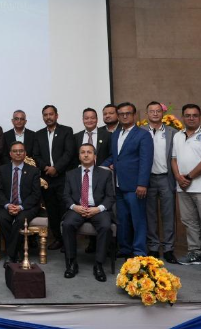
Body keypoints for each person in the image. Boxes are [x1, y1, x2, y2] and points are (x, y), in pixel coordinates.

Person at [102, 102, 152, 258]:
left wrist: (142, 183)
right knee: (122, 219)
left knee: (138, 220)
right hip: (118, 185)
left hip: (135, 186)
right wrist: (101, 167)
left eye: (127, 113)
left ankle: (139, 251)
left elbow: (146, 161)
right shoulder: (116, 134)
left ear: (134, 115)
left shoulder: (143, 135)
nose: (124, 116)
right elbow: (115, 157)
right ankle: (125, 249)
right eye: (121, 113)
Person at [171, 104, 201, 272]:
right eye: (188, 115)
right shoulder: (177, 136)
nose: (191, 118)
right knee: (189, 222)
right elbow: (174, 159)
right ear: (183, 117)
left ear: (200, 117)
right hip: (182, 186)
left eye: (194, 115)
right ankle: (194, 252)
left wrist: (188, 177)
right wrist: (178, 177)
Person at [62, 144, 115, 282]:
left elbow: (110, 197)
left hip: (97, 209)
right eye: (83, 152)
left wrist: (98, 209)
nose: (86, 155)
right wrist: (75, 207)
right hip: (78, 208)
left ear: (95, 156)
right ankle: (72, 262)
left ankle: (98, 265)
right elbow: (66, 196)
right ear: (79, 156)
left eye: (89, 152)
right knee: (67, 224)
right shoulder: (70, 174)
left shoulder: (105, 174)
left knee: (105, 226)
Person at [138, 102, 178, 264]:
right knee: (150, 215)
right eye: (151, 111)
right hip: (147, 179)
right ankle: (153, 247)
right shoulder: (140, 132)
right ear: (147, 114)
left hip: (166, 177)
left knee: (169, 214)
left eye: (157, 111)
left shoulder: (173, 132)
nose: (155, 114)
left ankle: (168, 248)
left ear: (162, 113)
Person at [32, 105, 76, 252]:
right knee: (52, 210)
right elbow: (35, 155)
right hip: (46, 179)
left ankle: (67, 239)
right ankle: (58, 238)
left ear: (57, 116)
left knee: (65, 208)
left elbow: (69, 153)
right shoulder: (38, 135)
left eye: (51, 114)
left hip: (63, 177)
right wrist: (46, 168)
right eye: (45, 115)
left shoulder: (66, 131)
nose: (48, 117)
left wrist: (56, 168)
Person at [0, 141, 42, 266]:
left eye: (21, 151)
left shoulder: (34, 171)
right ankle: (17, 252)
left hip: (27, 207)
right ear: (10, 154)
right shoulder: (2, 170)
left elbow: (36, 194)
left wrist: (21, 207)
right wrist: (7, 205)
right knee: (2, 219)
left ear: (25, 153)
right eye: (15, 151)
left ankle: (11, 255)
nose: (18, 153)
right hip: (8, 205)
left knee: (21, 221)